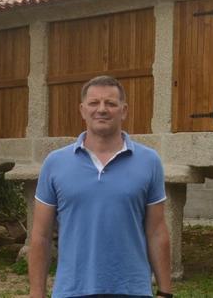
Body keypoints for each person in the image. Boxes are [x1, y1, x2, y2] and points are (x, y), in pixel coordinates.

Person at [28, 75, 172, 297]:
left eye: (111, 103)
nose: (102, 109)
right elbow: (41, 236)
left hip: (132, 291)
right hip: (72, 291)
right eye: (94, 103)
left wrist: (165, 292)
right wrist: (36, 294)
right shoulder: (55, 163)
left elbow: (156, 232)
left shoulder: (149, 161)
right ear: (82, 109)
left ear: (123, 110)